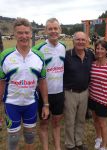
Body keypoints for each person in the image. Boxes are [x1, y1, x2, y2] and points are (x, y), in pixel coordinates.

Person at [0, 18, 49, 150]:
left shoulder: (39, 56)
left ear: (31, 33)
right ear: (14, 34)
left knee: (30, 137)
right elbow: (1, 83)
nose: (24, 36)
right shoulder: (5, 56)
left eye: (26, 32)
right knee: (13, 138)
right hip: (12, 104)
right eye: (20, 33)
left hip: (31, 104)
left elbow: (43, 81)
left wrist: (46, 104)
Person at [33, 18, 66, 150]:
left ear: (60, 30)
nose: (53, 31)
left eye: (55, 28)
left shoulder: (63, 47)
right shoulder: (38, 48)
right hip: (43, 94)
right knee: (44, 123)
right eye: (50, 29)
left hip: (59, 92)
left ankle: (57, 148)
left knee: (57, 122)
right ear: (46, 30)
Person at [64, 31, 94, 150]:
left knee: (81, 119)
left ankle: (79, 142)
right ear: (73, 41)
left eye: (83, 40)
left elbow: (101, 60)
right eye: (78, 39)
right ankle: (70, 144)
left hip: (85, 92)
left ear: (87, 42)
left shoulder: (90, 54)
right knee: (70, 121)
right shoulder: (66, 55)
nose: (80, 42)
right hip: (70, 92)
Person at [89, 40, 107, 150]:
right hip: (92, 97)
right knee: (95, 120)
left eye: (102, 49)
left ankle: (104, 145)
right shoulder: (93, 64)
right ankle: (98, 138)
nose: (99, 51)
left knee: (103, 123)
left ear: (106, 51)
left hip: (104, 99)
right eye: (98, 48)